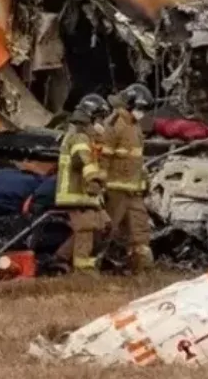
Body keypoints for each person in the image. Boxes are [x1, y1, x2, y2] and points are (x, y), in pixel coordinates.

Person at [98, 83, 155, 272]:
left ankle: (141, 268)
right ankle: (89, 265)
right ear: (129, 105)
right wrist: (99, 185)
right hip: (115, 190)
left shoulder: (134, 126)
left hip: (133, 190)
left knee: (140, 229)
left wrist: (144, 179)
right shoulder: (114, 124)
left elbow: (137, 158)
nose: (141, 113)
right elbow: (104, 157)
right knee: (107, 229)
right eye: (139, 108)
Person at [53, 94, 111, 274]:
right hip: (76, 193)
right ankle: (83, 271)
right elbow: (85, 162)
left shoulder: (85, 137)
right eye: (100, 118)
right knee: (86, 228)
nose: (102, 122)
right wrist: (94, 181)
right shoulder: (79, 138)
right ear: (91, 117)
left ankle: (60, 259)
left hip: (85, 193)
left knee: (103, 225)